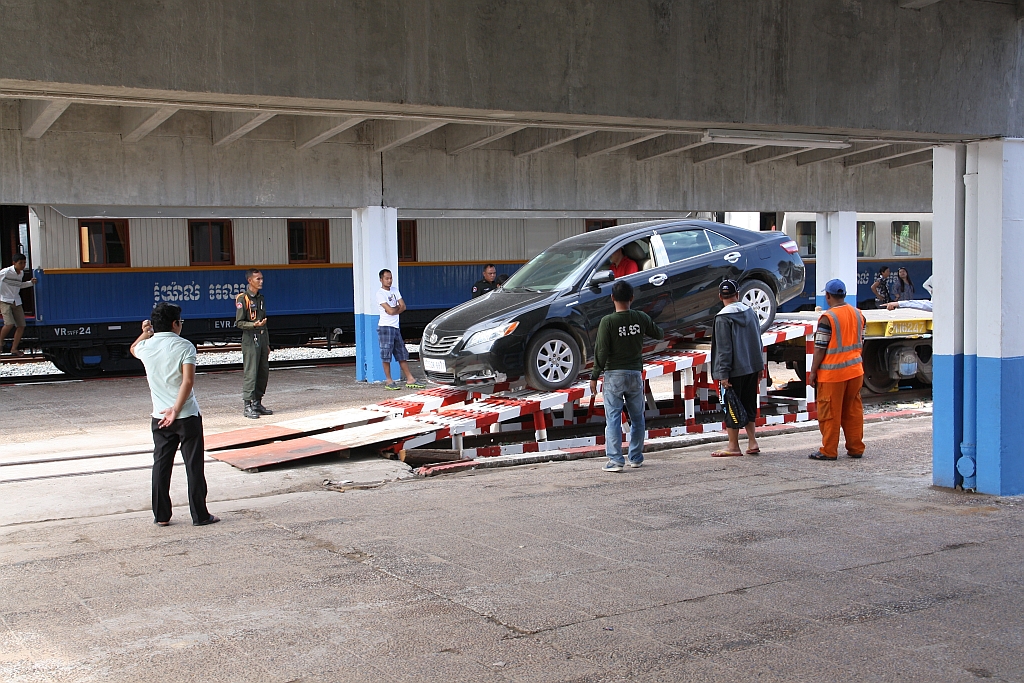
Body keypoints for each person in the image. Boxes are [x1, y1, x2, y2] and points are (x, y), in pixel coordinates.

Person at [130, 302, 218, 527]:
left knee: (161, 464)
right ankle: (200, 515)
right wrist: (176, 409)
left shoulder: (146, 347)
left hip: (158, 416)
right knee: (193, 465)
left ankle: (161, 516)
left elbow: (133, 349)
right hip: (186, 414)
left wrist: (145, 333)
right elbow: (187, 381)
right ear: (175, 323)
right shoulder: (185, 346)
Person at [590, 280, 664, 472]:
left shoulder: (608, 322)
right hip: (635, 374)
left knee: (613, 417)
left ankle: (615, 461)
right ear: (632, 298)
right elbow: (659, 334)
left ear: (612, 298)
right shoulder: (641, 317)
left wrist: (594, 375)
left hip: (614, 375)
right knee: (637, 417)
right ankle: (636, 457)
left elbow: (601, 351)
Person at [807, 279, 867, 461]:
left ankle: (829, 450)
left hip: (833, 374)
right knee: (853, 411)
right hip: (855, 371)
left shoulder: (828, 318)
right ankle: (856, 448)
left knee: (829, 413)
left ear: (828, 296)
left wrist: (813, 372)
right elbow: (862, 341)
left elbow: (819, 348)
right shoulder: (858, 314)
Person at [709, 279, 764, 457]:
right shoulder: (751, 312)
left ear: (720, 297)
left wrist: (723, 374)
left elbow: (724, 349)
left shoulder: (722, 318)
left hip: (733, 370)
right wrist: (760, 366)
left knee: (731, 405)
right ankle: (752, 441)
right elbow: (758, 340)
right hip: (752, 367)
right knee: (748, 403)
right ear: (738, 294)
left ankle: (733, 446)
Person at [377, 268, 425, 390]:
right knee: (386, 355)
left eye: (390, 278)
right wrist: (396, 309)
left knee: (401, 354)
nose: (389, 281)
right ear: (381, 279)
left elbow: (403, 306)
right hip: (385, 327)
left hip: (395, 327)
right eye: (387, 278)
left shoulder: (394, 290)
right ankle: (389, 380)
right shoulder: (380, 294)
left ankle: (410, 379)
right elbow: (390, 310)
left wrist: (395, 310)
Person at [235, 269, 272, 419]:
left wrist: (267, 343)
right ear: (250, 281)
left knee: (263, 371)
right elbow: (239, 322)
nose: (261, 281)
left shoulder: (261, 298)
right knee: (251, 372)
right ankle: (248, 405)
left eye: (261, 278)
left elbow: (265, 322)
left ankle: (257, 402)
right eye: (258, 279)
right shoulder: (243, 299)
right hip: (250, 339)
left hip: (262, 338)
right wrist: (253, 325)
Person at [0, 253, 37, 357]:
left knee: (21, 325)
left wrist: (30, 283)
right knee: (9, 323)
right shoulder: (6, 272)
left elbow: (19, 285)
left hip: (16, 301)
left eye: (24, 263)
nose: (23, 265)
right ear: (14, 263)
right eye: (20, 263)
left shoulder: (20, 274)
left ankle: (14, 348)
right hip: (5, 300)